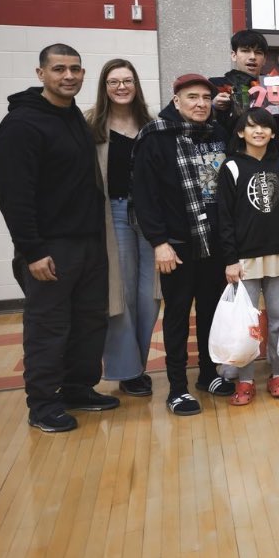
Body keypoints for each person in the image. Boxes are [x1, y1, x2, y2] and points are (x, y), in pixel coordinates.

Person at [0, 43, 116, 432]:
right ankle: (43, 405)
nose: (69, 76)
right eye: (59, 69)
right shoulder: (21, 125)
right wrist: (32, 250)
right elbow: (14, 195)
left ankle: (77, 389)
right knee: (48, 328)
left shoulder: (74, 117)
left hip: (88, 243)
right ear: (41, 73)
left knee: (88, 323)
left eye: (75, 69)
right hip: (49, 248)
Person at [133, 73, 232, 415]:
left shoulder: (218, 133)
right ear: (176, 101)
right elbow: (144, 195)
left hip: (214, 242)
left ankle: (208, 373)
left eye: (205, 98)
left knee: (210, 311)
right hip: (177, 243)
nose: (200, 104)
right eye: (192, 97)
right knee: (177, 314)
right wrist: (159, 242)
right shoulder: (155, 136)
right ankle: (177, 387)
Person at [85, 59, 158, 398]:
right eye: (113, 82)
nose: (121, 87)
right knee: (120, 295)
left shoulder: (151, 124)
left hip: (150, 216)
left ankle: (137, 365)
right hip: (113, 214)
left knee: (149, 296)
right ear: (104, 87)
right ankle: (127, 372)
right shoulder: (91, 125)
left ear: (136, 84)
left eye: (127, 80)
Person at [215, 108, 279, 404]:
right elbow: (224, 217)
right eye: (251, 127)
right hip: (244, 259)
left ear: (273, 133)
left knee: (278, 320)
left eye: (264, 127)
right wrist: (230, 259)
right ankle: (246, 380)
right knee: (246, 324)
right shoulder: (231, 166)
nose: (258, 132)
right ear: (241, 132)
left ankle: (278, 373)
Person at [211, 29, 279, 150]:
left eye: (258, 52)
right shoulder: (216, 85)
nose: (252, 57)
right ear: (234, 55)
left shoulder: (276, 86)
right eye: (245, 51)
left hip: (270, 157)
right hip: (230, 156)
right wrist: (213, 107)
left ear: (265, 59)